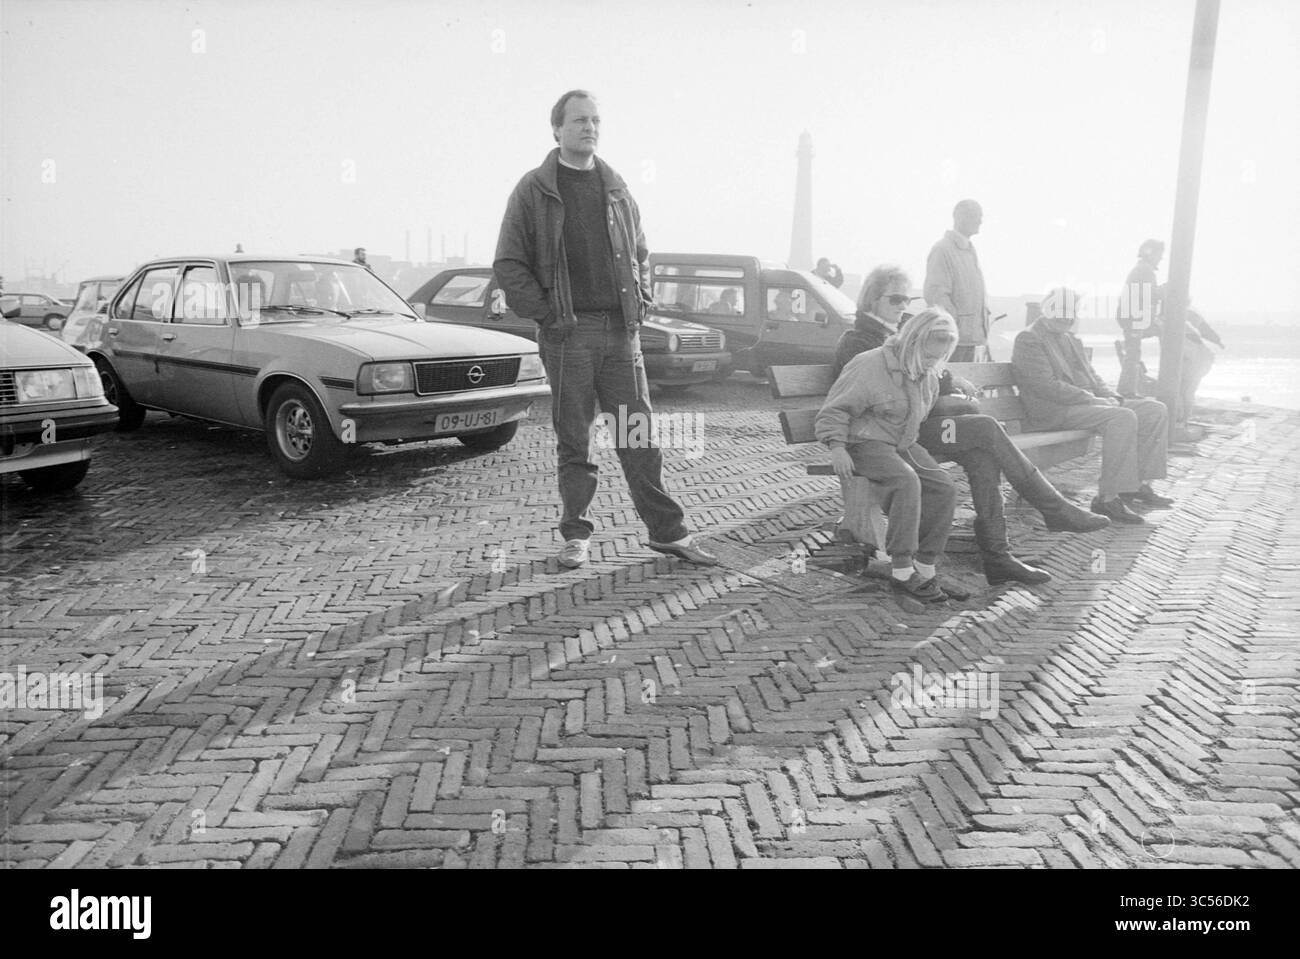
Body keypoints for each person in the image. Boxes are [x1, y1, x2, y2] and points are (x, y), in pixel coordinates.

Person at [493, 89, 717, 569]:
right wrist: (549, 314)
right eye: (578, 121)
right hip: (568, 335)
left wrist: (642, 298)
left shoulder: (617, 189)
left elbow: (641, 254)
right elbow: (509, 264)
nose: (588, 128)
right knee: (576, 438)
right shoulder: (533, 189)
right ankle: (576, 535)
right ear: (556, 129)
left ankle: (668, 532)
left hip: (622, 334)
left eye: (595, 120)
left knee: (638, 433)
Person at [836, 267, 1110, 586]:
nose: (902, 305)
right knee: (985, 429)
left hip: (921, 427)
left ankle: (998, 555)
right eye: (895, 298)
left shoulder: (898, 333)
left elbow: (931, 370)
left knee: (983, 452)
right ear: (872, 298)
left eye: (907, 298)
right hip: (893, 436)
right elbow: (883, 400)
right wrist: (940, 390)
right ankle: (1052, 508)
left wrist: (950, 381)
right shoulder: (858, 341)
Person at [816, 308, 961, 602]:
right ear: (916, 339)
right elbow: (835, 409)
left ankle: (925, 567)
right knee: (906, 481)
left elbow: (919, 415)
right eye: (935, 347)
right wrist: (837, 446)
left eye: (946, 348)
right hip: (863, 442)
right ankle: (902, 569)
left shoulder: (927, 373)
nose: (938, 357)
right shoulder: (869, 364)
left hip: (900, 444)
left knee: (944, 487)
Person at [1013, 287, 1175, 525]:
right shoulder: (1030, 338)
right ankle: (1107, 499)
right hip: (1051, 411)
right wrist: (1092, 399)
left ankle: (1135, 485)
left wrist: (1111, 396)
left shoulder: (1069, 338)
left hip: (1080, 406)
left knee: (1154, 409)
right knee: (1121, 418)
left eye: (1070, 312)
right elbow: (1044, 386)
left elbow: (1092, 376)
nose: (1065, 317)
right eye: (1059, 310)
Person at [924, 199, 990, 361]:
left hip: (973, 341)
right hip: (954, 342)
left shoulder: (968, 251)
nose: (980, 221)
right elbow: (936, 295)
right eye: (976, 215)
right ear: (959, 216)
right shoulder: (943, 249)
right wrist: (954, 327)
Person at [1116, 238, 1165, 396]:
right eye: (1159, 254)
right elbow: (1149, 294)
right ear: (1150, 253)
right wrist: (1164, 290)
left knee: (1134, 351)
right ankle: (1127, 390)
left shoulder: (1142, 269)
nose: (1160, 258)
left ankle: (1128, 387)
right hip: (1134, 318)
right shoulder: (1145, 270)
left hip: (1132, 317)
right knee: (1133, 354)